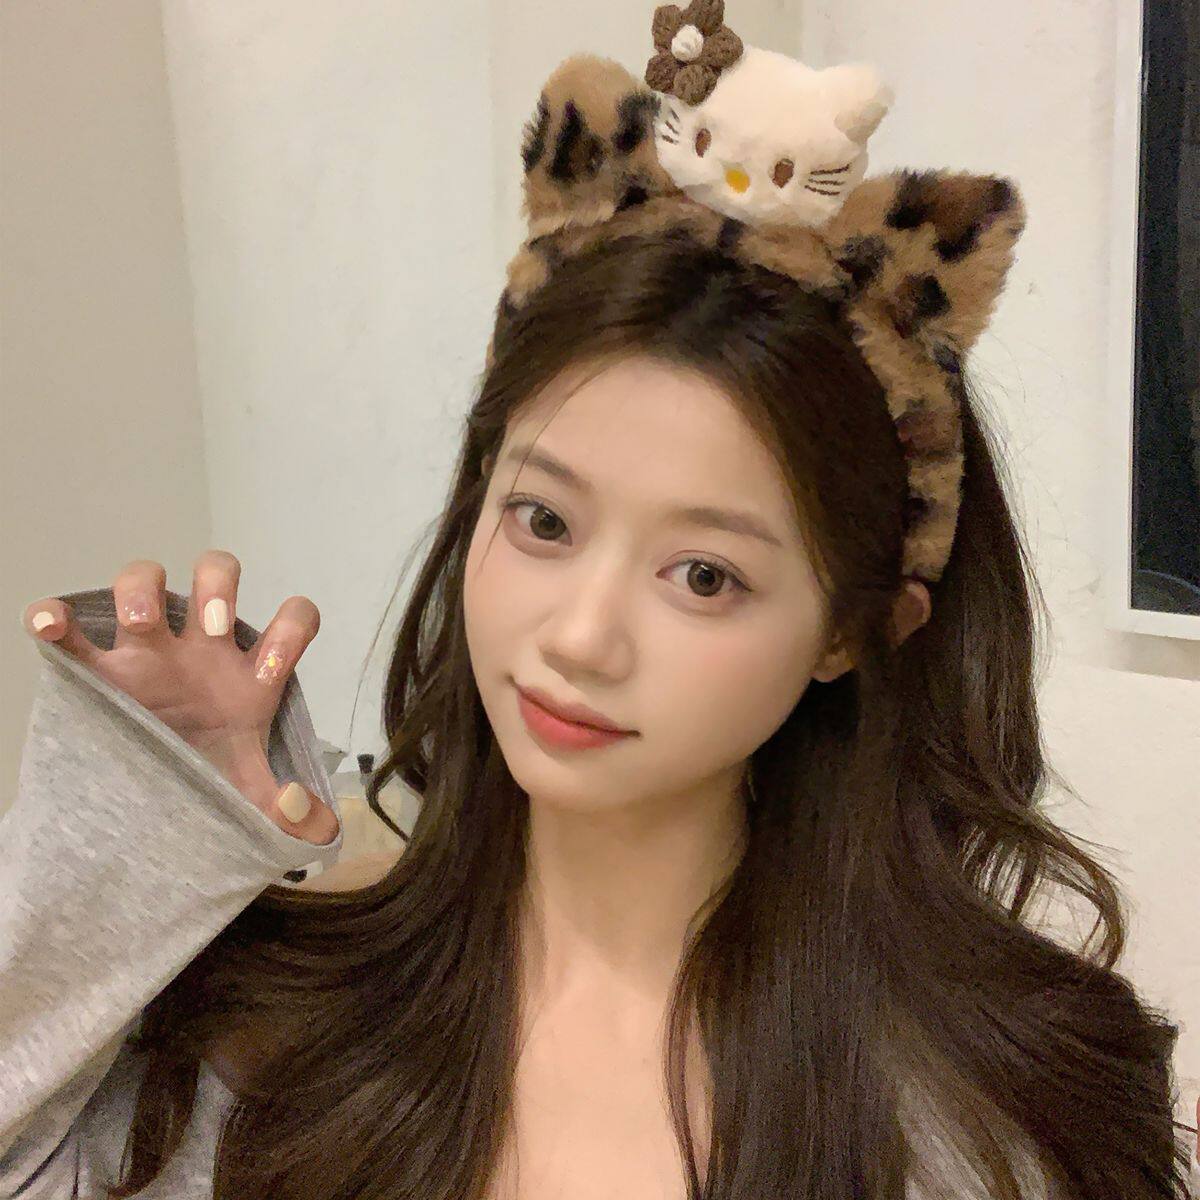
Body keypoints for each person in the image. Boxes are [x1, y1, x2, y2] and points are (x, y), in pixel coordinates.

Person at [2, 3, 1196, 1198]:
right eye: (545, 521)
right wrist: (145, 818)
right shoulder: (269, 1045)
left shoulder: (981, 1130)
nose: (579, 637)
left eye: (705, 576)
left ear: (851, 630)